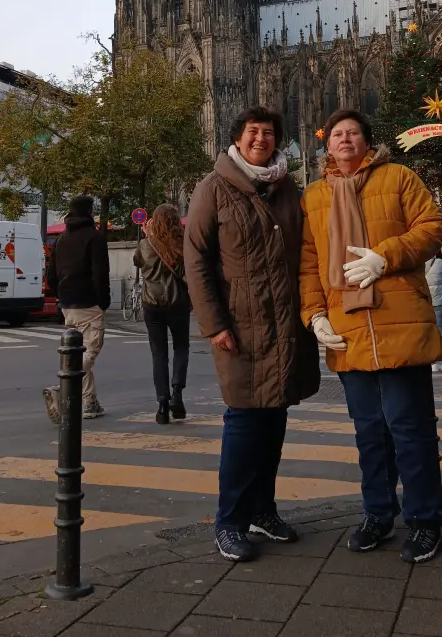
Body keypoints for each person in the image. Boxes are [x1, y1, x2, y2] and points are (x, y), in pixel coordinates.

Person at [300, 108, 442, 564]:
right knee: (369, 433)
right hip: (347, 330)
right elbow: (308, 264)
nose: (345, 140)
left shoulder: (399, 178)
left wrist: (384, 257)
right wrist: (313, 315)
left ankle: (424, 521)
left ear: (367, 142)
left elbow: (431, 229)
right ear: (327, 145)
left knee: (411, 430)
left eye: (353, 133)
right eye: (338, 134)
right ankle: (378, 514)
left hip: (399, 322)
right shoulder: (313, 196)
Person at [184, 106, 320, 563]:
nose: (260, 139)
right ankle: (229, 522)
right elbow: (196, 260)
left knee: (274, 421)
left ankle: (263, 510)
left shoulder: (287, 188)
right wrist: (214, 324)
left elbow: (306, 249)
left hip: (283, 322)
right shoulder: (213, 187)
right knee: (243, 424)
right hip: (240, 325)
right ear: (237, 139)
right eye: (252, 132)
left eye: (268, 132)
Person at [44, 195, 111, 422]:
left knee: (77, 350)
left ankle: (89, 401)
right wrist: (104, 301)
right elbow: (100, 274)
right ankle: (62, 391)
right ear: (90, 212)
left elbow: (50, 274)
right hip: (89, 302)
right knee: (90, 351)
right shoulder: (94, 237)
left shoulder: (61, 239)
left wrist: (60, 293)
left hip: (67, 303)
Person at [134, 205, 191, 425]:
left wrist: (149, 236)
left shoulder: (145, 244)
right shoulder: (182, 243)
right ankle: (177, 392)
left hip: (152, 304)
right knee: (181, 347)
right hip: (178, 303)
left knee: (159, 354)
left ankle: (162, 405)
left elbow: (137, 261)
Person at [426, 253, 442, 373]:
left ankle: (433, 362)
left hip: (425, 300)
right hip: (439, 299)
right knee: (441, 330)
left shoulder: (420, 262)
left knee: (428, 331)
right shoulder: (440, 263)